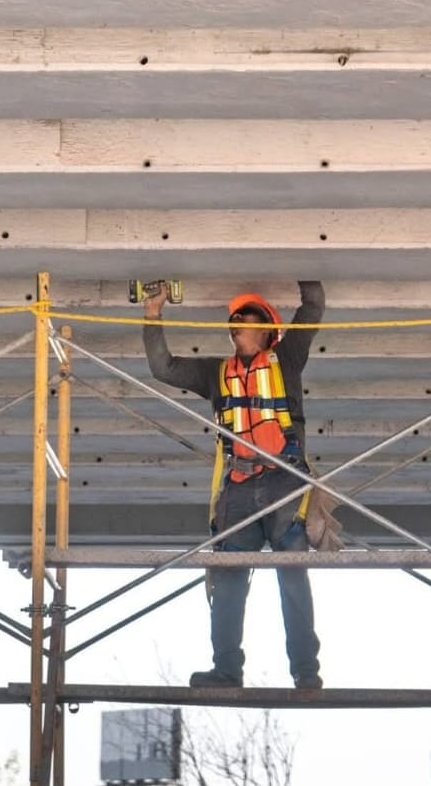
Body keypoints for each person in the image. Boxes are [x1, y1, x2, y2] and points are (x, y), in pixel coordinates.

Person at [143, 281, 325, 690]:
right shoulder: (216, 373)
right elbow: (163, 368)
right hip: (239, 488)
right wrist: (152, 314)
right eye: (236, 320)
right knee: (227, 582)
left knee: (292, 578)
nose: (239, 324)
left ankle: (306, 673)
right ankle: (226, 671)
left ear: (268, 331)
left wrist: (308, 256)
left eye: (248, 318)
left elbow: (313, 308)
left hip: (284, 482)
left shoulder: (287, 359)